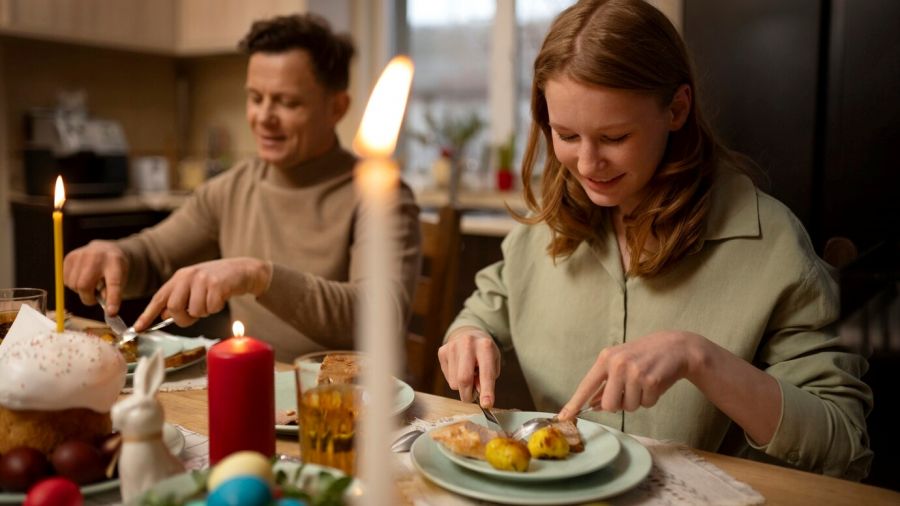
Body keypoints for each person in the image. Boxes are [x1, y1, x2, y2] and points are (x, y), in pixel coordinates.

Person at [438, 0, 872, 480]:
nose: (586, 165)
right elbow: (483, 309)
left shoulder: (771, 244)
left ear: (677, 109)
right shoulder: (542, 230)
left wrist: (698, 358)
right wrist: (467, 337)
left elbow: (844, 445)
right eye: (566, 134)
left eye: (615, 136)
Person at [63, 14, 421, 361]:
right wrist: (115, 255)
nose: (264, 117)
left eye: (287, 102)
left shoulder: (382, 197)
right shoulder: (232, 188)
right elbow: (155, 256)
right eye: (255, 97)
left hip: (354, 403)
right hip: (256, 387)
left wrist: (258, 276)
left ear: (337, 108)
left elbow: (379, 317)